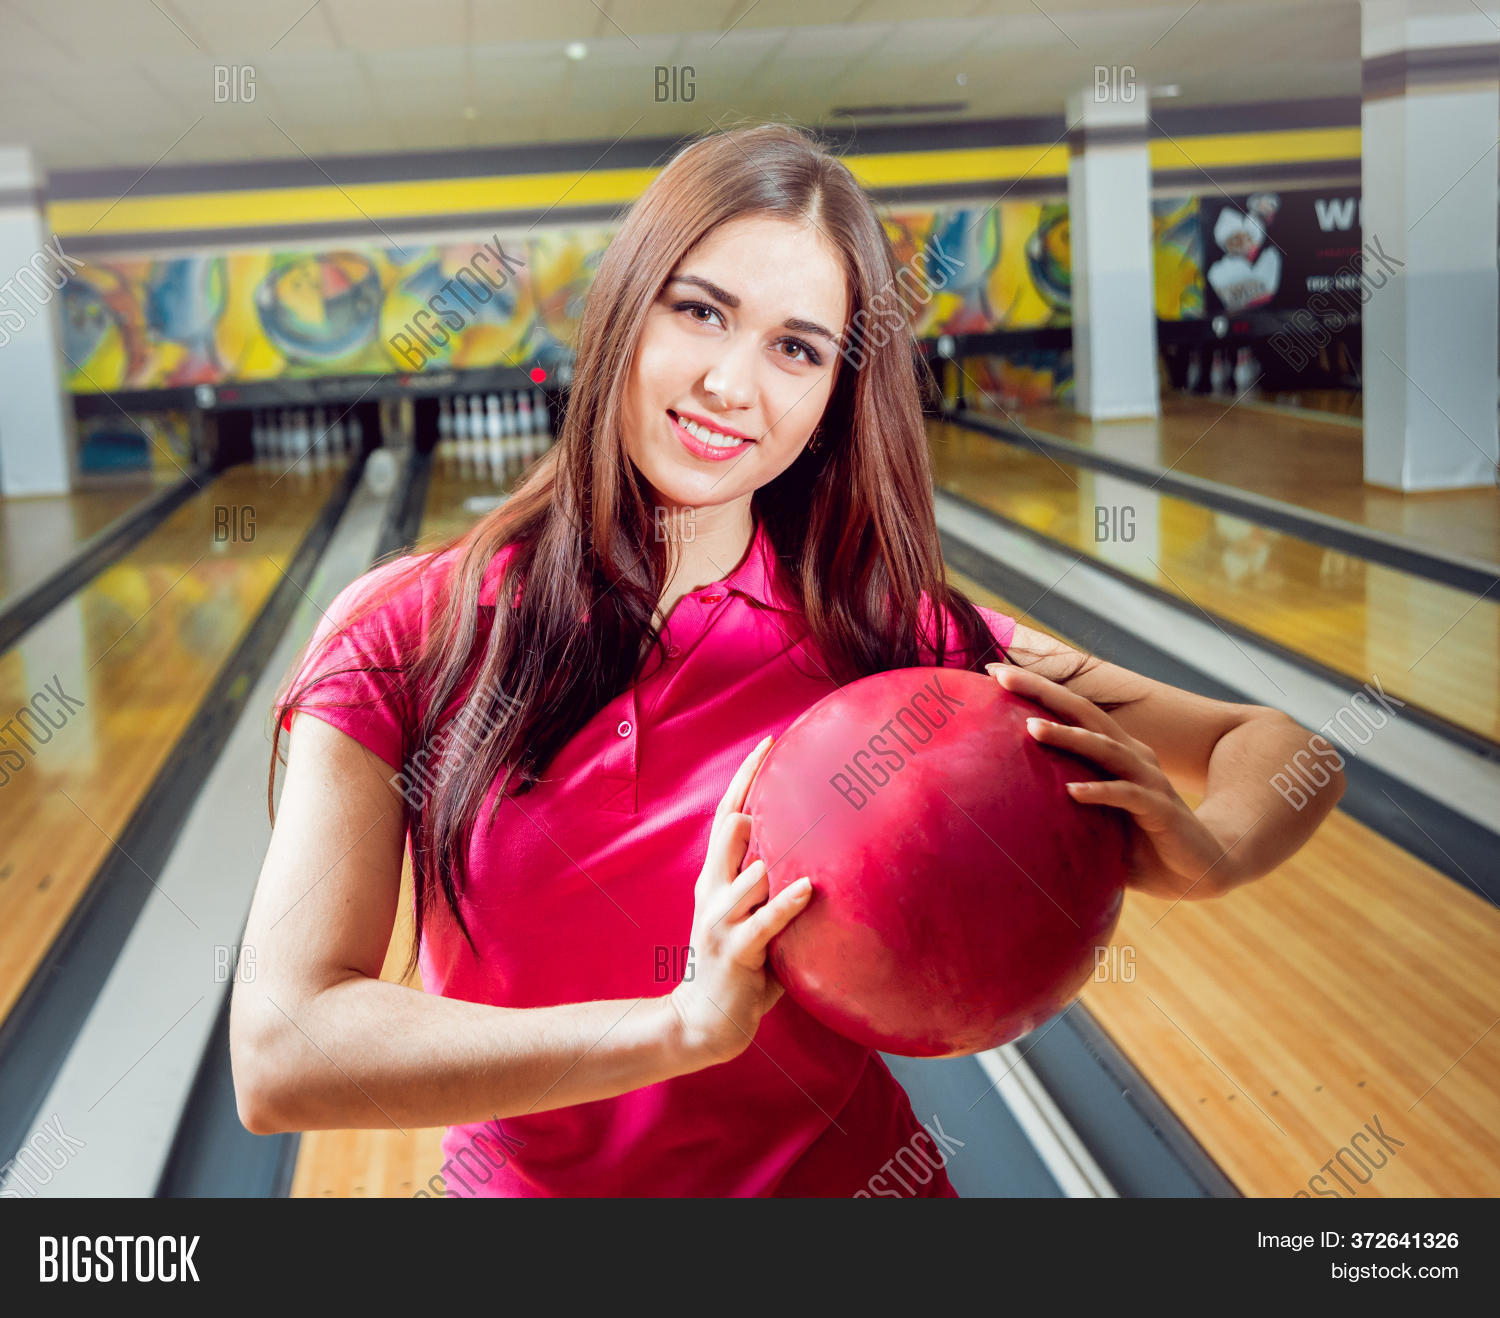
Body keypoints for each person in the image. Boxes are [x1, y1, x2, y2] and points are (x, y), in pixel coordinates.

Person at [229, 122, 1344, 1197]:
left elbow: (1281, 745)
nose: (731, 385)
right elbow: (282, 1049)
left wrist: (1215, 854)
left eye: (796, 347)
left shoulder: (881, 639)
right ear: (626, 309)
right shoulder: (410, 632)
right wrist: (673, 1030)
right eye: (701, 312)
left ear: (833, 391)